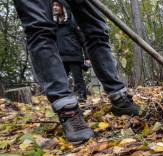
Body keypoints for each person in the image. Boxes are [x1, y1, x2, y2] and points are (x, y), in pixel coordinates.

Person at [13, 0, 140, 145]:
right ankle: (67, 110)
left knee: (96, 29)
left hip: (74, 55)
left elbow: (81, 37)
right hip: (62, 54)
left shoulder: (70, 24)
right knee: (39, 28)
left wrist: (85, 57)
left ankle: (119, 98)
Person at [52, 0, 90, 102]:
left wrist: (87, 57)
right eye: (53, 5)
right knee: (62, 80)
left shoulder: (72, 21)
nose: (54, 7)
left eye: (57, 5)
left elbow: (83, 39)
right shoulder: (54, 24)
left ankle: (82, 98)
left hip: (74, 56)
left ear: (63, 7)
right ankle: (65, 99)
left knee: (78, 80)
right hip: (61, 57)